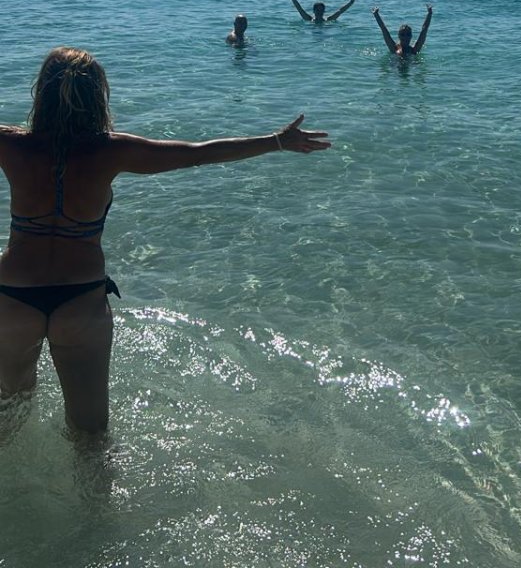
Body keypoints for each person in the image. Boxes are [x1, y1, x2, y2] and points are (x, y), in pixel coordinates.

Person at [0, 47, 329, 434]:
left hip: (12, 298)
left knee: (9, 411)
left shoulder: (13, 144)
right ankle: (93, 498)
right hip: (80, 300)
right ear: (98, 96)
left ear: (41, 92)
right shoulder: (112, 150)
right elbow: (198, 154)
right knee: (90, 433)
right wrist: (276, 141)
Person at [288, 0, 356, 23]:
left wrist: (351, 2)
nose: (319, 12)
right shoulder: (309, 19)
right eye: (318, 10)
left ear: (324, 11)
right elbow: (300, 9)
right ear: (314, 11)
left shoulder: (328, 20)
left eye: (321, 10)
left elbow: (340, 11)